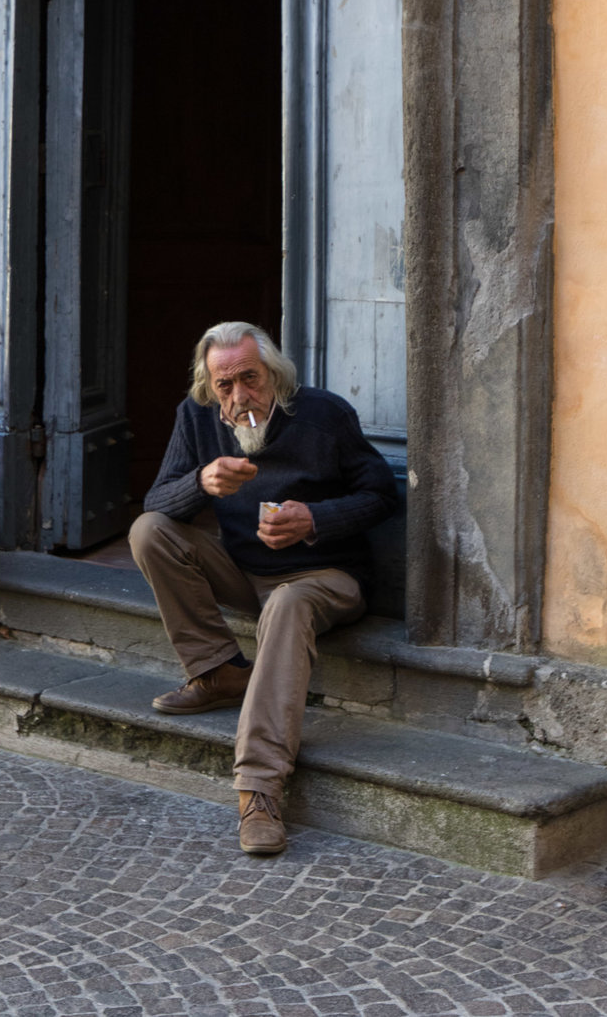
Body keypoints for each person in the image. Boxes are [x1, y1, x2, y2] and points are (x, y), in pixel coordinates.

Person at [129, 320, 398, 856]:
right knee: (150, 531)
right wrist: (199, 483)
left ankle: (259, 789)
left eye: (249, 379)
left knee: (289, 601)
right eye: (224, 387)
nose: (238, 396)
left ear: (273, 374)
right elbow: (157, 501)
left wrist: (315, 518)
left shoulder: (323, 414)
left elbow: (381, 494)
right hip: (246, 572)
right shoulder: (198, 417)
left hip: (326, 576)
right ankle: (218, 671)